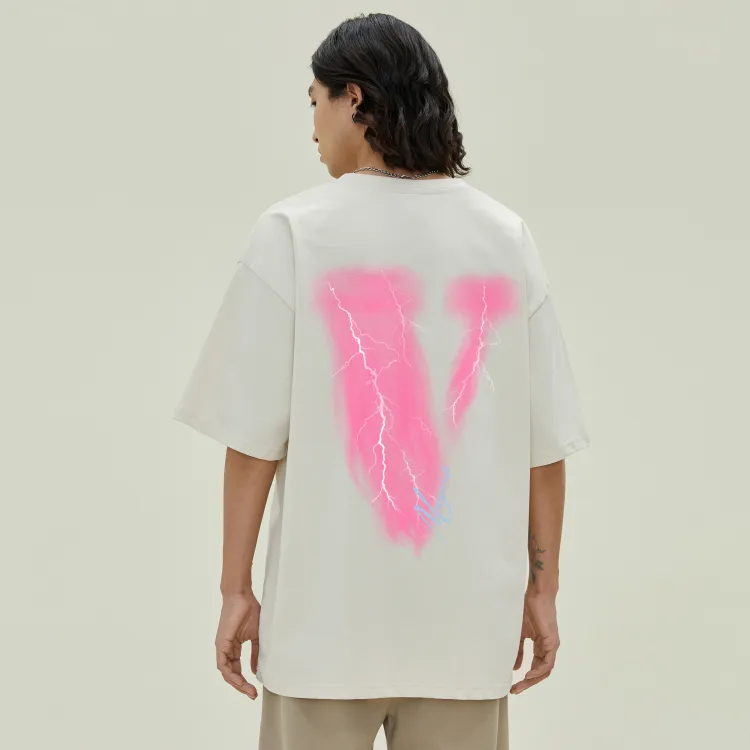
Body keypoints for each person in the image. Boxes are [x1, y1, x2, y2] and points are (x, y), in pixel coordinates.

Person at [172, 12, 590, 750]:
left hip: (323, 634)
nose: (312, 128)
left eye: (315, 102)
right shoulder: (505, 238)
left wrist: (235, 590)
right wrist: (542, 590)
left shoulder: (293, 233)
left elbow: (252, 442)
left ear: (354, 99)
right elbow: (543, 446)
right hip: (465, 634)